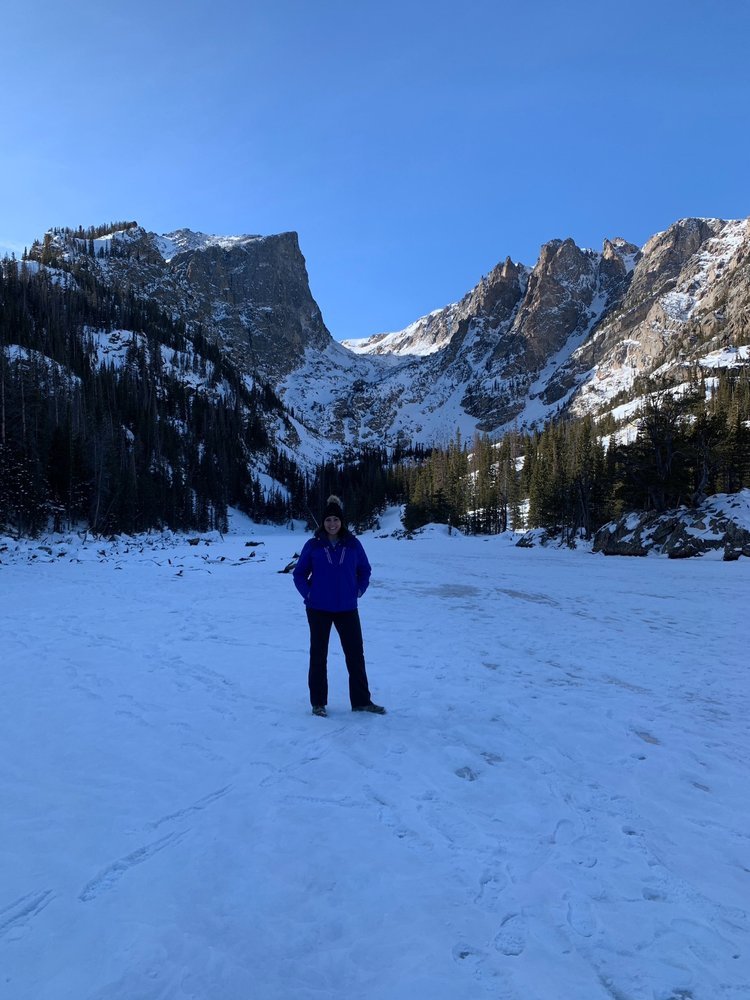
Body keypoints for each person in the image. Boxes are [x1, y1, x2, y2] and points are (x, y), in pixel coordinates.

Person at [293, 495, 385, 717]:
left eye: (335, 519)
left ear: (341, 521)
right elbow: (299, 574)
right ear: (323, 523)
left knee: (355, 654)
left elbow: (365, 570)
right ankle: (318, 703)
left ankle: (362, 701)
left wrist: (359, 590)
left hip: (347, 608)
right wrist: (309, 594)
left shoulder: (353, 544)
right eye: (328, 520)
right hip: (318, 609)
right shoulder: (313, 545)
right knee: (318, 655)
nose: (332, 524)